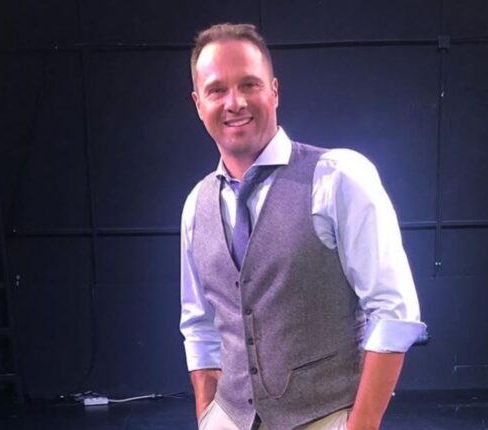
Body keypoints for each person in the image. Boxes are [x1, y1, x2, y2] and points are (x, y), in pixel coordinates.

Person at [179, 23, 426, 430]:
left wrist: (361, 425)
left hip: (324, 415)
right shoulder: (196, 205)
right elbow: (199, 325)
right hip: (229, 417)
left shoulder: (338, 176)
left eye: (249, 84)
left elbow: (394, 312)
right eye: (217, 90)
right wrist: (207, 415)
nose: (234, 102)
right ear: (198, 103)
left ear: (274, 91)